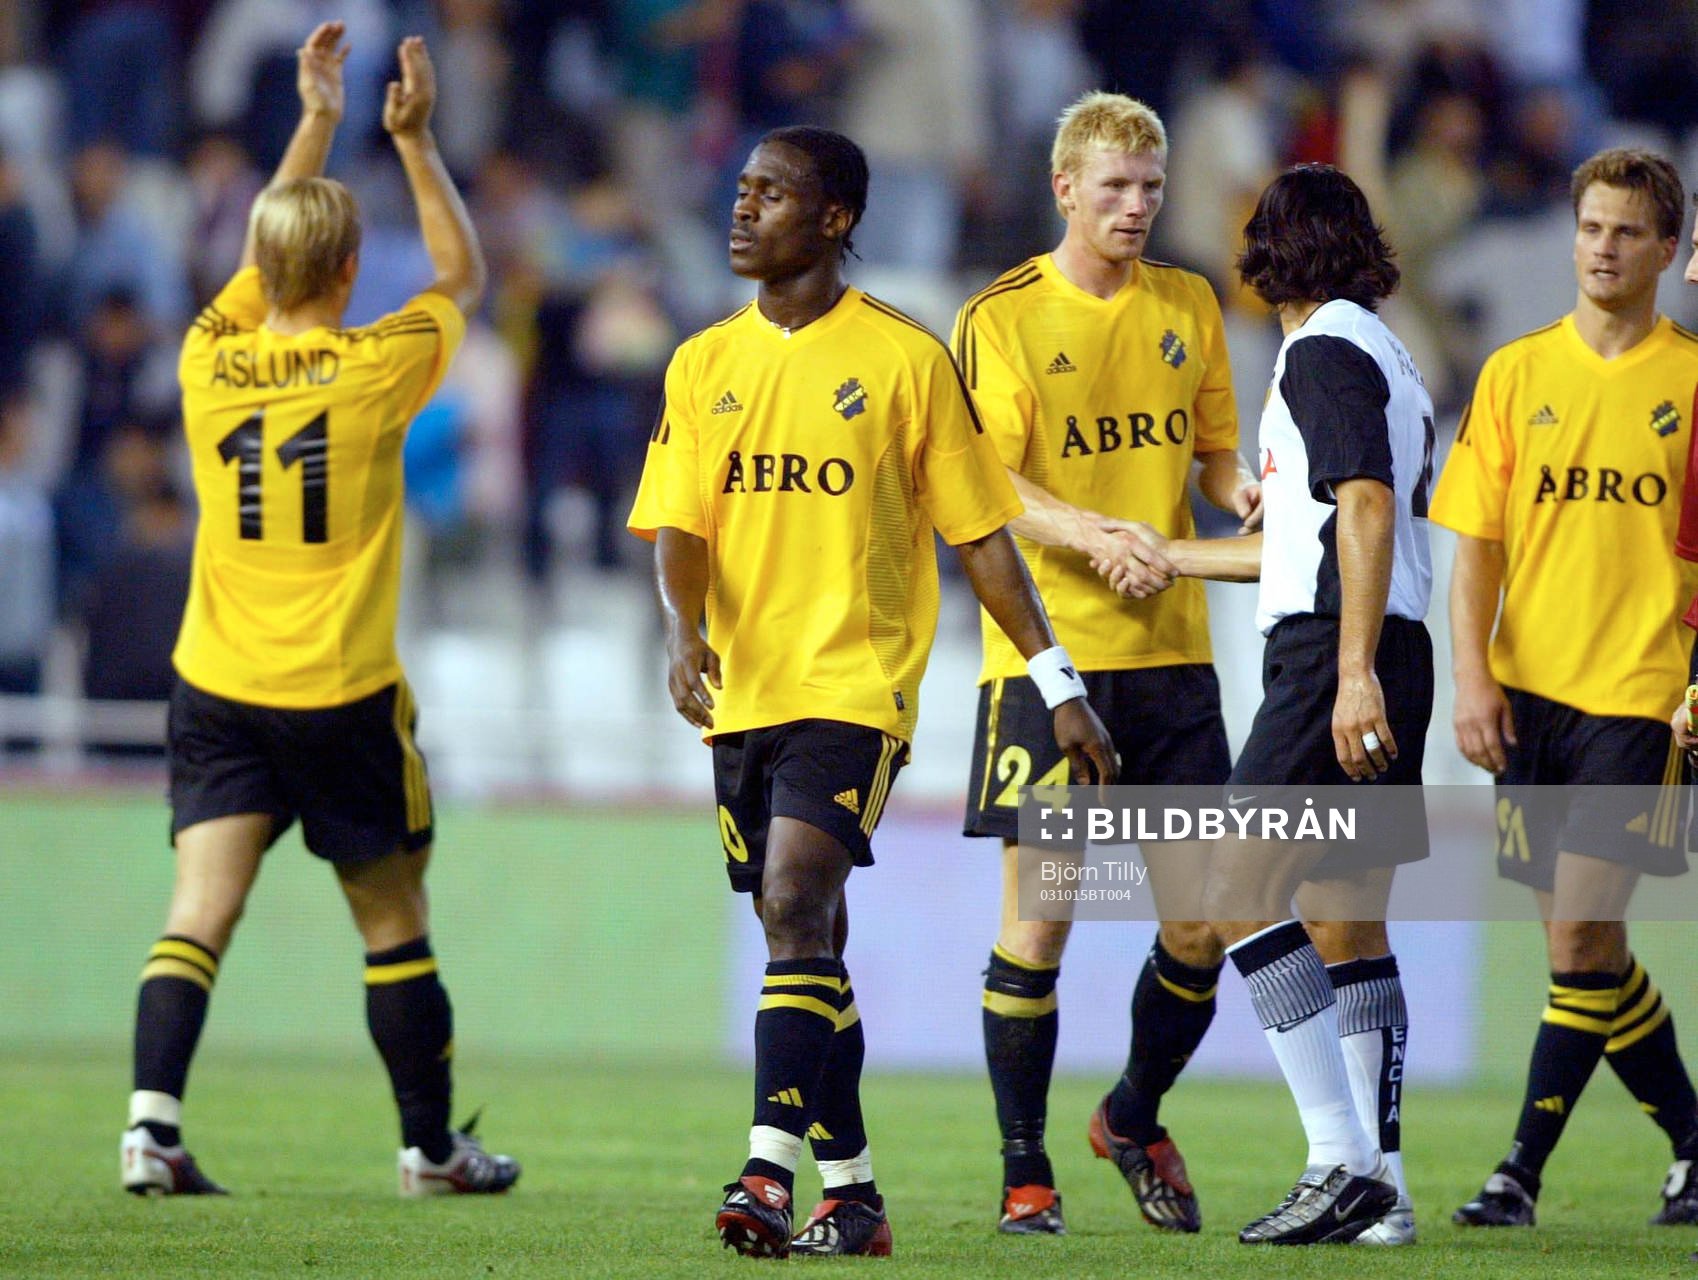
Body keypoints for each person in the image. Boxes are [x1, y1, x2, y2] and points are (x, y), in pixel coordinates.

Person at [627, 125, 1117, 1260]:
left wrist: (1058, 682)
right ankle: (853, 1196)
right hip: (743, 692)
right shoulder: (703, 363)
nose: (741, 210)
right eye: (740, 190)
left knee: (797, 907)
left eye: (771, 195)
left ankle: (765, 1170)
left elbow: (985, 541)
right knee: (808, 947)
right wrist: (679, 629)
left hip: (855, 685)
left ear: (836, 218)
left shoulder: (903, 359)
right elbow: (678, 526)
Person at [120, 25, 519, 1199]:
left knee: (198, 910)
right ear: (349, 273)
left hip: (219, 686)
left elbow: (269, 239)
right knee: (393, 918)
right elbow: (461, 277)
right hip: (339, 693)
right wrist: (411, 139)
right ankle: (430, 1148)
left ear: (263, 266)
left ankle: (151, 1128)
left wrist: (314, 119)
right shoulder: (378, 364)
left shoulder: (206, 357)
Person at [952, 89, 1258, 1237]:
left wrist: (1255, 494)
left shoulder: (1190, 300)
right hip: (1051, 665)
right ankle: (1025, 1173)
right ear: (1065, 188)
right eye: (1115, 187)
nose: (1136, 207)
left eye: (1152, 188)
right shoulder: (1005, 316)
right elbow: (988, 483)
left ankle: (1130, 1112)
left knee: (1201, 923)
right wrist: (1099, 535)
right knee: (1043, 924)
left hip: (1175, 655)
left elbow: (1215, 455)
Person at [1150, 163, 1434, 1245]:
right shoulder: (1388, 354)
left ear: (1273, 246)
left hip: (1333, 652)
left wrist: (1348, 668)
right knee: (1348, 918)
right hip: (1389, 640)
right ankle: (1387, 1188)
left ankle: (1339, 1158)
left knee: (1234, 887)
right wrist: (1171, 555)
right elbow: (1318, 532)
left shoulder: (1318, 349)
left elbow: (1360, 505)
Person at [1435, 147, 1698, 1230]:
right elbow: (1476, 548)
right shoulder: (1515, 374)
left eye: (1627, 231)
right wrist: (1473, 677)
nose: (1602, 247)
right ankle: (1693, 1142)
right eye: (1591, 227)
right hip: (1529, 697)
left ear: (1667, 249)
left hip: (1643, 695)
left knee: (1582, 940)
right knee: (1580, 950)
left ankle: (1518, 1170)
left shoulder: (1692, 382)